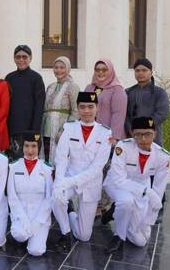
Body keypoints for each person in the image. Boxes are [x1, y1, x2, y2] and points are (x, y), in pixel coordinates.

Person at [51, 92, 112, 250]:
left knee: (84, 236)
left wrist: (68, 181)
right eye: (82, 107)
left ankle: (71, 213)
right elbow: (61, 157)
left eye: (90, 107)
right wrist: (59, 182)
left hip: (91, 183)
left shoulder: (105, 133)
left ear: (97, 108)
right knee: (56, 198)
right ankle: (65, 232)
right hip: (70, 176)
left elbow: (97, 167)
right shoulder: (69, 128)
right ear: (77, 109)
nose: (86, 111)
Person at [102, 117, 170, 253]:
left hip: (141, 191)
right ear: (132, 134)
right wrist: (147, 192)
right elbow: (119, 180)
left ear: (155, 134)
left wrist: (148, 221)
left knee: (141, 241)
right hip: (117, 185)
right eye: (138, 134)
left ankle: (115, 212)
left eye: (148, 134)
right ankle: (119, 237)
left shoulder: (163, 157)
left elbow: (158, 190)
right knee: (126, 201)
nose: (143, 139)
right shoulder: (123, 147)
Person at [7, 131, 54, 256]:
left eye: (34, 146)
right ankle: (24, 237)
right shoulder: (14, 167)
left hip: (40, 216)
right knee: (20, 234)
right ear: (22, 147)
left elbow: (49, 198)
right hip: (20, 214)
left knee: (36, 251)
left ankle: (34, 236)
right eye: (27, 146)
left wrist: (37, 222)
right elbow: (12, 197)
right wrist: (23, 219)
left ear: (39, 147)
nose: (30, 150)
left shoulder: (47, 169)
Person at [5, 45, 46, 160]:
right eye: (18, 57)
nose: (21, 60)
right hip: (13, 130)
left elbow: (39, 106)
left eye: (24, 57)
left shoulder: (36, 78)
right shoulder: (9, 78)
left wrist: (34, 132)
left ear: (30, 58)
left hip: (30, 131)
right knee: (14, 165)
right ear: (14, 58)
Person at [41, 56, 79, 163]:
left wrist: (64, 131)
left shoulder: (73, 87)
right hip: (46, 130)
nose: (58, 70)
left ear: (68, 69)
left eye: (62, 67)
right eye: (56, 67)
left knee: (59, 159)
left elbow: (76, 111)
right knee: (46, 158)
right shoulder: (50, 86)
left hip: (61, 130)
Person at [124, 58, 169, 145]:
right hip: (132, 136)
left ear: (151, 72)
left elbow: (161, 114)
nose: (140, 73)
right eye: (137, 70)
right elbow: (125, 115)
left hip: (152, 136)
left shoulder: (159, 92)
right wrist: (131, 129)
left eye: (144, 70)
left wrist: (143, 128)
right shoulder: (128, 92)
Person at [84, 59, 127, 145]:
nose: (100, 72)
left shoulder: (117, 90)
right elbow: (82, 108)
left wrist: (114, 137)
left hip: (107, 135)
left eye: (104, 70)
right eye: (97, 70)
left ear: (110, 71)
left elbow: (118, 115)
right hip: (89, 132)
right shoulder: (89, 88)